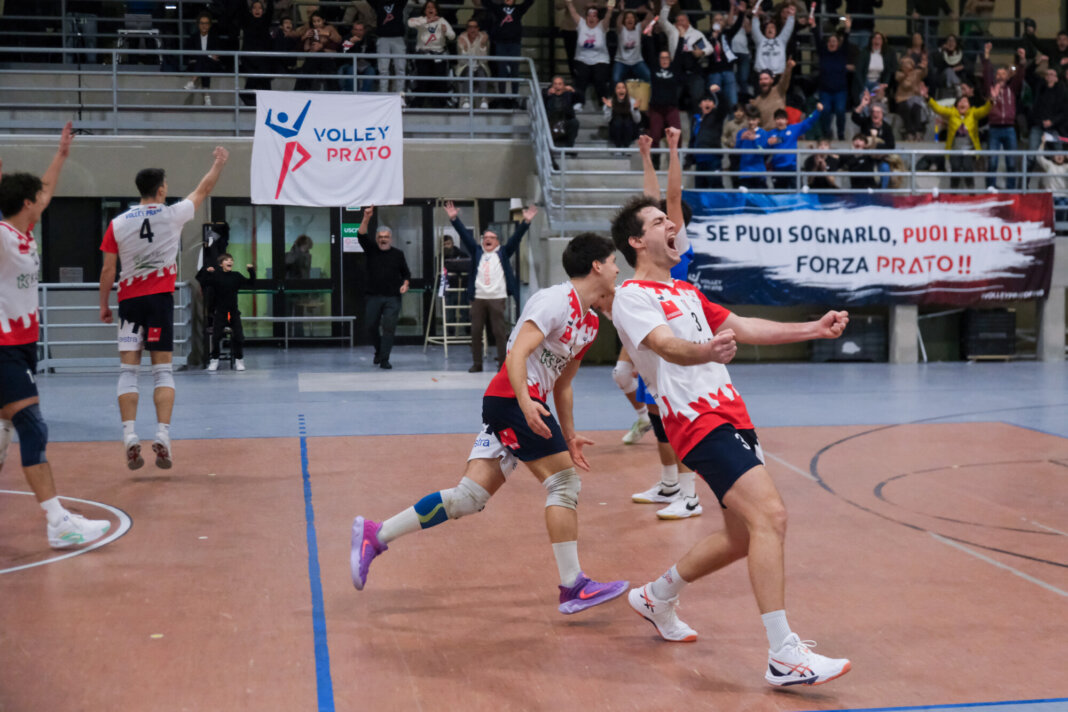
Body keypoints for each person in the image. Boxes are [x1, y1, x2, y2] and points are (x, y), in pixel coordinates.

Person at [609, 194, 852, 684]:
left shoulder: (687, 292)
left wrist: (814, 328)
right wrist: (704, 351)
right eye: (659, 221)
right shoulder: (632, 295)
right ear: (637, 242)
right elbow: (662, 346)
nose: (670, 224)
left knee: (742, 536)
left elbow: (744, 327)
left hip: (733, 415)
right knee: (772, 515)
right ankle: (783, 654)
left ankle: (657, 595)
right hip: (696, 421)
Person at [351, 233, 629, 618]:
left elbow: (563, 384)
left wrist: (569, 434)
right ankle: (572, 586)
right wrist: (526, 402)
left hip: (525, 404)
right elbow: (516, 356)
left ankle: (375, 535)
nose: (617, 268)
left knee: (468, 498)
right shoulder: (554, 300)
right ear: (597, 265)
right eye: (614, 260)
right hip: (510, 399)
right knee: (563, 482)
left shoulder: (590, 325)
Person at [0, 123, 111, 549]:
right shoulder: (4, 238)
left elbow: (45, 189)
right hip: (4, 349)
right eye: (38, 199)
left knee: (8, 429)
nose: (45, 201)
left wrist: (62, 153)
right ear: (26, 204)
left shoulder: (23, 233)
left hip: (22, 347)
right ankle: (57, 521)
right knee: (33, 425)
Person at [98, 146, 229, 471]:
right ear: (161, 190)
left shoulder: (117, 223)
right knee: (163, 371)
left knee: (128, 371)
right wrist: (218, 163)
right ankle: (163, 435)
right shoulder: (172, 214)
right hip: (159, 301)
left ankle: (129, 435)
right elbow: (204, 189)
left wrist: (104, 304)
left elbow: (107, 271)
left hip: (129, 303)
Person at [621, 128, 703, 520]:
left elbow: (669, 198)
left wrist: (672, 149)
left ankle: (689, 494)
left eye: (666, 219)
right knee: (656, 413)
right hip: (654, 330)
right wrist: (645, 155)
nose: (663, 219)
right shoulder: (652, 242)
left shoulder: (678, 243)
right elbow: (650, 201)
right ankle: (669, 482)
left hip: (677, 331)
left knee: (677, 412)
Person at [443, 200, 537, 372]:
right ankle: (477, 363)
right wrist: (454, 219)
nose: (487, 240)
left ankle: (502, 363)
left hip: (497, 297)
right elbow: (464, 235)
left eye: (491, 238)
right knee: (476, 332)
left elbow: (516, 239)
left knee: (499, 333)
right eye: (485, 238)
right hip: (478, 298)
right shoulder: (477, 251)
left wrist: (526, 222)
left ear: (497, 241)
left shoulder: (503, 252)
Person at [356, 206, 411, 370]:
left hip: (392, 297)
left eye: (386, 237)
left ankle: (385, 359)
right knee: (370, 326)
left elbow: (406, 273)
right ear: (377, 238)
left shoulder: (398, 254)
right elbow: (360, 235)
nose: (383, 239)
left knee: (389, 327)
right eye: (380, 236)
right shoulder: (371, 250)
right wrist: (366, 217)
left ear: (391, 239)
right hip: (373, 296)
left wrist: (406, 284)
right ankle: (379, 350)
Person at [923, 82, 990, 190]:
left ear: (969, 105)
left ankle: (971, 190)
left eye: (965, 101)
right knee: (955, 168)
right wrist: (928, 98)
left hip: (969, 149)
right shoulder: (952, 113)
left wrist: (991, 101)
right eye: (960, 101)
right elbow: (938, 108)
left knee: (968, 167)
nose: (963, 103)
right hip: (954, 149)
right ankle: (953, 191)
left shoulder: (974, 113)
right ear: (956, 105)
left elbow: (985, 110)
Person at [197, 253, 254, 372]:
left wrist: (251, 271)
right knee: (216, 337)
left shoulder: (236, 276)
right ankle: (214, 360)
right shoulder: (216, 276)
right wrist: (206, 271)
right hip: (220, 312)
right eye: (227, 260)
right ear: (221, 264)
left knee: (238, 336)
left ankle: (239, 360)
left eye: (231, 260)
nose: (230, 262)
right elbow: (200, 279)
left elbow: (251, 283)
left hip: (233, 311)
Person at [981, 43, 1026, 190]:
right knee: (992, 162)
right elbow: (986, 73)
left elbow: (1019, 76)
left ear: (1007, 76)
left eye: (1003, 73)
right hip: (994, 128)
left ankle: (1011, 189)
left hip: (1009, 128)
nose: (1000, 75)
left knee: (1011, 162)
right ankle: (990, 188)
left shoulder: (1012, 89)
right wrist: (986, 55)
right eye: (998, 73)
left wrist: (1022, 60)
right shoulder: (991, 88)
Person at [657, 0, 710, 113]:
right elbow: (662, 21)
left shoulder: (696, 34)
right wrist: (667, 6)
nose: (680, 23)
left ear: (688, 22)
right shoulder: (672, 31)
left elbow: (709, 48)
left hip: (692, 70)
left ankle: (697, 124)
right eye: (678, 21)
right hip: (676, 69)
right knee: (672, 99)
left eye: (683, 20)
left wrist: (701, 52)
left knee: (697, 98)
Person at [566, 0, 615, 111]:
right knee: (581, 78)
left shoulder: (602, 26)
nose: (591, 18)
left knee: (600, 79)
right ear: (586, 17)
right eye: (589, 16)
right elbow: (573, 12)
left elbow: (608, 16)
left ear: (597, 18)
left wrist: (610, 9)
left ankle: (604, 103)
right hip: (582, 59)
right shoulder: (581, 24)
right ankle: (578, 102)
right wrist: (569, 3)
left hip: (600, 60)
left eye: (594, 16)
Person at [483, 0, 536, 99]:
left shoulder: (519, 9)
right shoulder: (498, 8)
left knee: (514, 71)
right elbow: (486, 3)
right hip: (501, 44)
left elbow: (529, 2)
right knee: (502, 71)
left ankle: (514, 97)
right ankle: (502, 97)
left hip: (514, 44)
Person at [407, 0, 455, 108]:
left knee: (440, 82)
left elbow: (452, 36)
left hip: (439, 54)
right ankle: (419, 105)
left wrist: (446, 30)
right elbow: (410, 23)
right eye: (428, 7)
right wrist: (427, 21)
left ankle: (441, 105)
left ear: (436, 10)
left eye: (433, 7)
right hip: (423, 54)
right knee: (422, 81)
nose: (430, 9)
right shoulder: (421, 20)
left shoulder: (442, 21)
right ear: (424, 10)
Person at [812, 12, 851, 141]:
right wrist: (813, 26)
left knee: (840, 111)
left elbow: (846, 37)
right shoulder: (823, 53)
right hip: (825, 91)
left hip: (840, 91)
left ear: (838, 43)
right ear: (827, 43)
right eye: (830, 41)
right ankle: (826, 133)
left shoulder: (842, 53)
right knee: (825, 110)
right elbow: (817, 39)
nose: (832, 43)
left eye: (834, 41)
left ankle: (840, 134)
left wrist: (847, 27)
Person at [766, 103, 822, 190]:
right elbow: (763, 148)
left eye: (782, 119)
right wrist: (768, 144)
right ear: (774, 120)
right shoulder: (770, 133)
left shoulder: (793, 129)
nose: (780, 121)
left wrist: (817, 111)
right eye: (777, 119)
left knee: (796, 194)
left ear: (787, 120)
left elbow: (808, 121)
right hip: (777, 169)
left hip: (792, 169)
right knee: (780, 197)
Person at [646, 50, 684, 165]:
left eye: (666, 58)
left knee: (677, 134)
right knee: (655, 136)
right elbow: (650, 54)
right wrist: (649, 36)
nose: (664, 60)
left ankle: (675, 161)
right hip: (656, 109)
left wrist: (681, 37)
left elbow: (678, 56)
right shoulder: (654, 70)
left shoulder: (674, 70)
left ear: (670, 59)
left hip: (671, 108)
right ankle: (655, 161)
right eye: (662, 58)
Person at [368, 0, 411, 99]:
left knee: (400, 68)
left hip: (398, 38)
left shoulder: (399, 2)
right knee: (383, 69)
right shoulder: (378, 2)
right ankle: (383, 95)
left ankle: (400, 96)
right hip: (383, 38)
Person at [293, 11, 343, 91]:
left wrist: (327, 36)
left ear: (323, 20)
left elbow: (338, 42)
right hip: (313, 57)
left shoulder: (330, 28)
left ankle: (336, 94)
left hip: (326, 57)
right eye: (314, 21)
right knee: (305, 71)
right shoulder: (309, 30)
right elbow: (300, 47)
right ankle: (299, 93)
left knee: (331, 72)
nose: (316, 23)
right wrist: (304, 37)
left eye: (318, 21)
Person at [183, 11, 224, 106]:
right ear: (198, 25)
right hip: (196, 63)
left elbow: (217, 55)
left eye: (206, 23)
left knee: (203, 59)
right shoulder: (193, 38)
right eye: (202, 23)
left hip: (211, 64)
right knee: (203, 61)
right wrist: (208, 55)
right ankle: (207, 96)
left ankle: (193, 81)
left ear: (210, 25)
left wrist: (205, 56)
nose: (204, 26)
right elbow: (189, 53)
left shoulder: (214, 38)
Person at [239, 1, 276, 105]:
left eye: (260, 8)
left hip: (263, 58)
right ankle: (249, 99)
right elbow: (242, 8)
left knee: (264, 78)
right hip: (249, 58)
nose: (257, 10)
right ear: (250, 11)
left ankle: (268, 104)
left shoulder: (265, 21)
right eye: (254, 8)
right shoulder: (246, 21)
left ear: (263, 11)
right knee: (253, 77)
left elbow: (270, 9)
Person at [751, 3, 795, 79]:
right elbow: (755, 29)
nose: (770, 29)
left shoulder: (781, 40)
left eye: (773, 28)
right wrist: (755, 16)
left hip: (778, 74)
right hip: (762, 75)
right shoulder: (760, 40)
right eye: (768, 28)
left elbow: (788, 28)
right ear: (764, 31)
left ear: (776, 31)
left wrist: (791, 16)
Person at [456, 18, 491, 109]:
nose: (473, 30)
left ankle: (484, 100)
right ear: (467, 29)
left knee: (481, 71)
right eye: (470, 27)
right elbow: (461, 62)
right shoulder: (461, 38)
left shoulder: (483, 37)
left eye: (475, 27)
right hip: (465, 66)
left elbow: (484, 61)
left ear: (478, 28)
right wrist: (465, 49)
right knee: (468, 71)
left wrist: (483, 46)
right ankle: (466, 100)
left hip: (479, 66)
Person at [750, 58, 795, 129]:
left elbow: (785, 78)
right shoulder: (757, 100)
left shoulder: (779, 90)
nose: (763, 81)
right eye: (761, 79)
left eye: (766, 79)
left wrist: (788, 68)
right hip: (765, 135)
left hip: (779, 132)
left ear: (772, 80)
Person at [690, 94, 723, 189]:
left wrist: (718, 93)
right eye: (704, 100)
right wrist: (689, 159)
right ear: (700, 104)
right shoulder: (695, 119)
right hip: (699, 160)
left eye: (710, 101)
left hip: (713, 159)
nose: (707, 102)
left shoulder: (717, 117)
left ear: (714, 105)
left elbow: (725, 106)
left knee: (716, 187)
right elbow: (692, 139)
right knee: (700, 189)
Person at [894, 54, 931, 141]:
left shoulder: (916, 73)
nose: (906, 66)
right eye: (904, 64)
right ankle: (910, 132)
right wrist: (906, 74)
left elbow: (924, 74)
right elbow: (901, 80)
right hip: (902, 98)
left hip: (914, 97)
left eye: (908, 64)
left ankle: (918, 132)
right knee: (905, 109)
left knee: (916, 108)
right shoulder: (899, 74)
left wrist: (924, 67)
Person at [613, 10, 653, 85]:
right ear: (624, 21)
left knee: (649, 76)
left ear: (635, 20)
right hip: (621, 61)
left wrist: (647, 9)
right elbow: (618, 22)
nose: (630, 19)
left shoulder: (639, 28)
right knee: (616, 79)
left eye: (632, 17)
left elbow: (650, 19)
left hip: (637, 61)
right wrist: (622, 11)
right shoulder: (621, 29)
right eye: (627, 18)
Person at [338, 20, 378, 93]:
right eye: (355, 30)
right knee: (351, 70)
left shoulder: (369, 39)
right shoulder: (346, 38)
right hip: (349, 64)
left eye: (360, 30)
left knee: (371, 71)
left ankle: (364, 94)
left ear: (364, 31)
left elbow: (373, 56)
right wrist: (351, 43)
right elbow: (342, 53)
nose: (357, 32)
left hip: (364, 64)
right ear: (352, 30)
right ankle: (351, 93)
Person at [736, 104, 769, 190]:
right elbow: (736, 152)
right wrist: (741, 139)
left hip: (759, 173)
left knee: (761, 201)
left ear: (758, 120)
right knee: (745, 201)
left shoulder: (763, 133)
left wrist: (755, 140)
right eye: (749, 119)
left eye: (753, 120)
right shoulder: (741, 133)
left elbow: (764, 152)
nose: (751, 122)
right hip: (744, 173)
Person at [543, 76, 582, 149]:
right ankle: (550, 152)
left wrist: (573, 90)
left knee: (574, 122)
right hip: (551, 120)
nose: (557, 86)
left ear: (564, 85)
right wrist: (548, 93)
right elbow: (542, 97)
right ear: (552, 85)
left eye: (560, 84)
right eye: (555, 84)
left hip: (565, 120)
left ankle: (569, 148)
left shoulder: (569, 94)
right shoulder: (547, 93)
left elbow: (581, 99)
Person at [603, 80, 643, 148]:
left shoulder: (632, 101)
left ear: (626, 90)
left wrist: (635, 110)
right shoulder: (610, 102)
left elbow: (637, 120)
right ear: (615, 90)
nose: (621, 90)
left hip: (629, 128)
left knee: (627, 122)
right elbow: (606, 120)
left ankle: (627, 146)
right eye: (618, 88)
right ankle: (617, 146)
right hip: (615, 128)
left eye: (623, 87)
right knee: (618, 121)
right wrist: (609, 108)